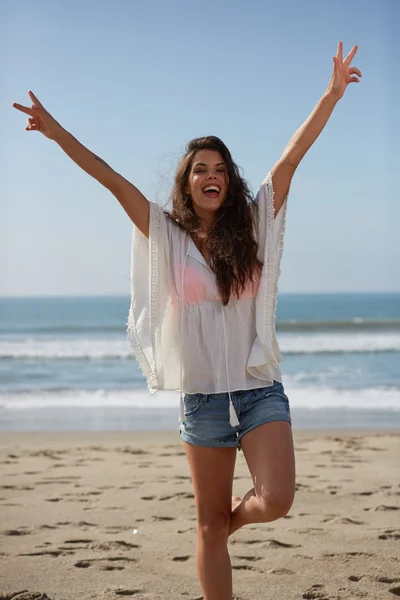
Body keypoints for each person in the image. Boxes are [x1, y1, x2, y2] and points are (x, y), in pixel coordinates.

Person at [13, 41, 361, 600]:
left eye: (221, 169)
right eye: (201, 169)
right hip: (200, 398)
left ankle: (234, 520)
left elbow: (290, 159)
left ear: (230, 181)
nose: (211, 176)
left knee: (276, 499)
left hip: (257, 388)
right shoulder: (167, 238)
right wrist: (57, 133)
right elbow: (109, 177)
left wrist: (331, 95)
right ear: (187, 180)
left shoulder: (254, 224)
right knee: (206, 528)